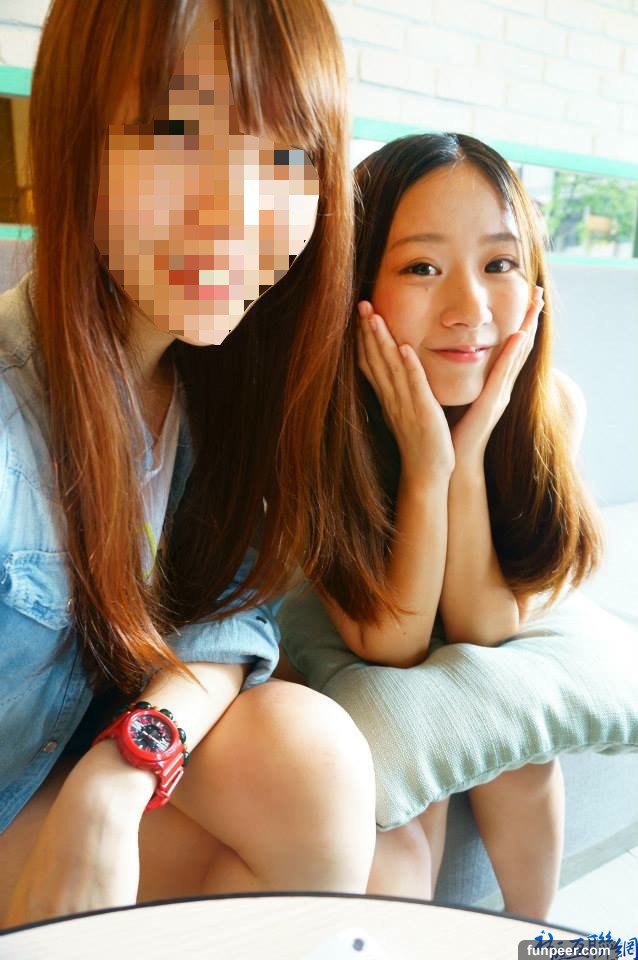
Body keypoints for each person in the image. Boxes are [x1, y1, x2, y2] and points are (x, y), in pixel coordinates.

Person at [0, 0, 377, 928]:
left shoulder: (211, 390)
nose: (236, 211)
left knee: (312, 760)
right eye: (175, 131)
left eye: (286, 155)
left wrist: (122, 771)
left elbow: (229, 615)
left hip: (58, 780)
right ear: (74, 143)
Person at [277, 132, 604, 919]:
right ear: (357, 282)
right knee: (409, 792)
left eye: (500, 264)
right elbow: (393, 643)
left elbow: (485, 627)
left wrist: (473, 447)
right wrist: (428, 465)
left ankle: (536, 937)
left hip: (463, 613)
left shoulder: (550, 407)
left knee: (521, 755)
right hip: (354, 624)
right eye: (422, 267)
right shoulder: (315, 423)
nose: (470, 311)